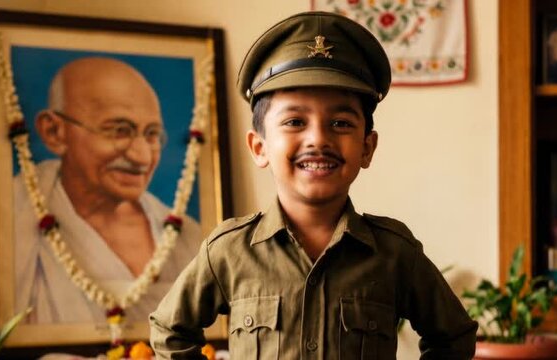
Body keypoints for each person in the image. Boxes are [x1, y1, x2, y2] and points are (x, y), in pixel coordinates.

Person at [149, 11, 477, 358]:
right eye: (294, 121)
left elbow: (453, 338)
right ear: (259, 148)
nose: (318, 139)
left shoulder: (395, 253)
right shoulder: (228, 250)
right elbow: (170, 331)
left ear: (367, 147)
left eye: (340, 122)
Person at [13, 57, 202, 324]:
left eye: (152, 135)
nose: (142, 157)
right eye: (119, 131)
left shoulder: (187, 239)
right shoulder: (15, 214)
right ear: (55, 132)